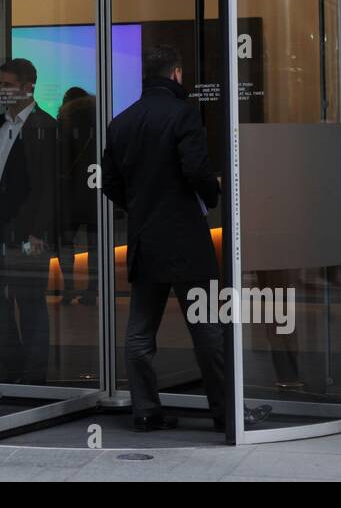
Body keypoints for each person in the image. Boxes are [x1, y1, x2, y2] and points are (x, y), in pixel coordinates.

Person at [101, 44, 271, 432]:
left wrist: (139, 205)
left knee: (140, 331)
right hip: (185, 239)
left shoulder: (121, 122)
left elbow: (109, 182)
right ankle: (225, 412)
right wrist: (212, 197)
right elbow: (196, 168)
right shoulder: (183, 114)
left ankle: (145, 409)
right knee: (209, 326)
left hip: (145, 239)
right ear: (176, 73)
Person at [0, 58, 59, 385]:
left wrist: (37, 232)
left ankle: (34, 377)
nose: (1, 91)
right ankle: (13, 362)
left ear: (28, 86)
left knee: (29, 299)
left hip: (25, 230)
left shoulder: (42, 125)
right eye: (0, 85)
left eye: (7, 85)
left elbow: (49, 186)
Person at [57, 86, 98, 305]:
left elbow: (60, 157)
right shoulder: (98, 120)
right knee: (94, 246)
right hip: (94, 191)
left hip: (70, 193)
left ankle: (69, 289)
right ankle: (92, 289)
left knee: (66, 244)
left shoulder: (64, 121)